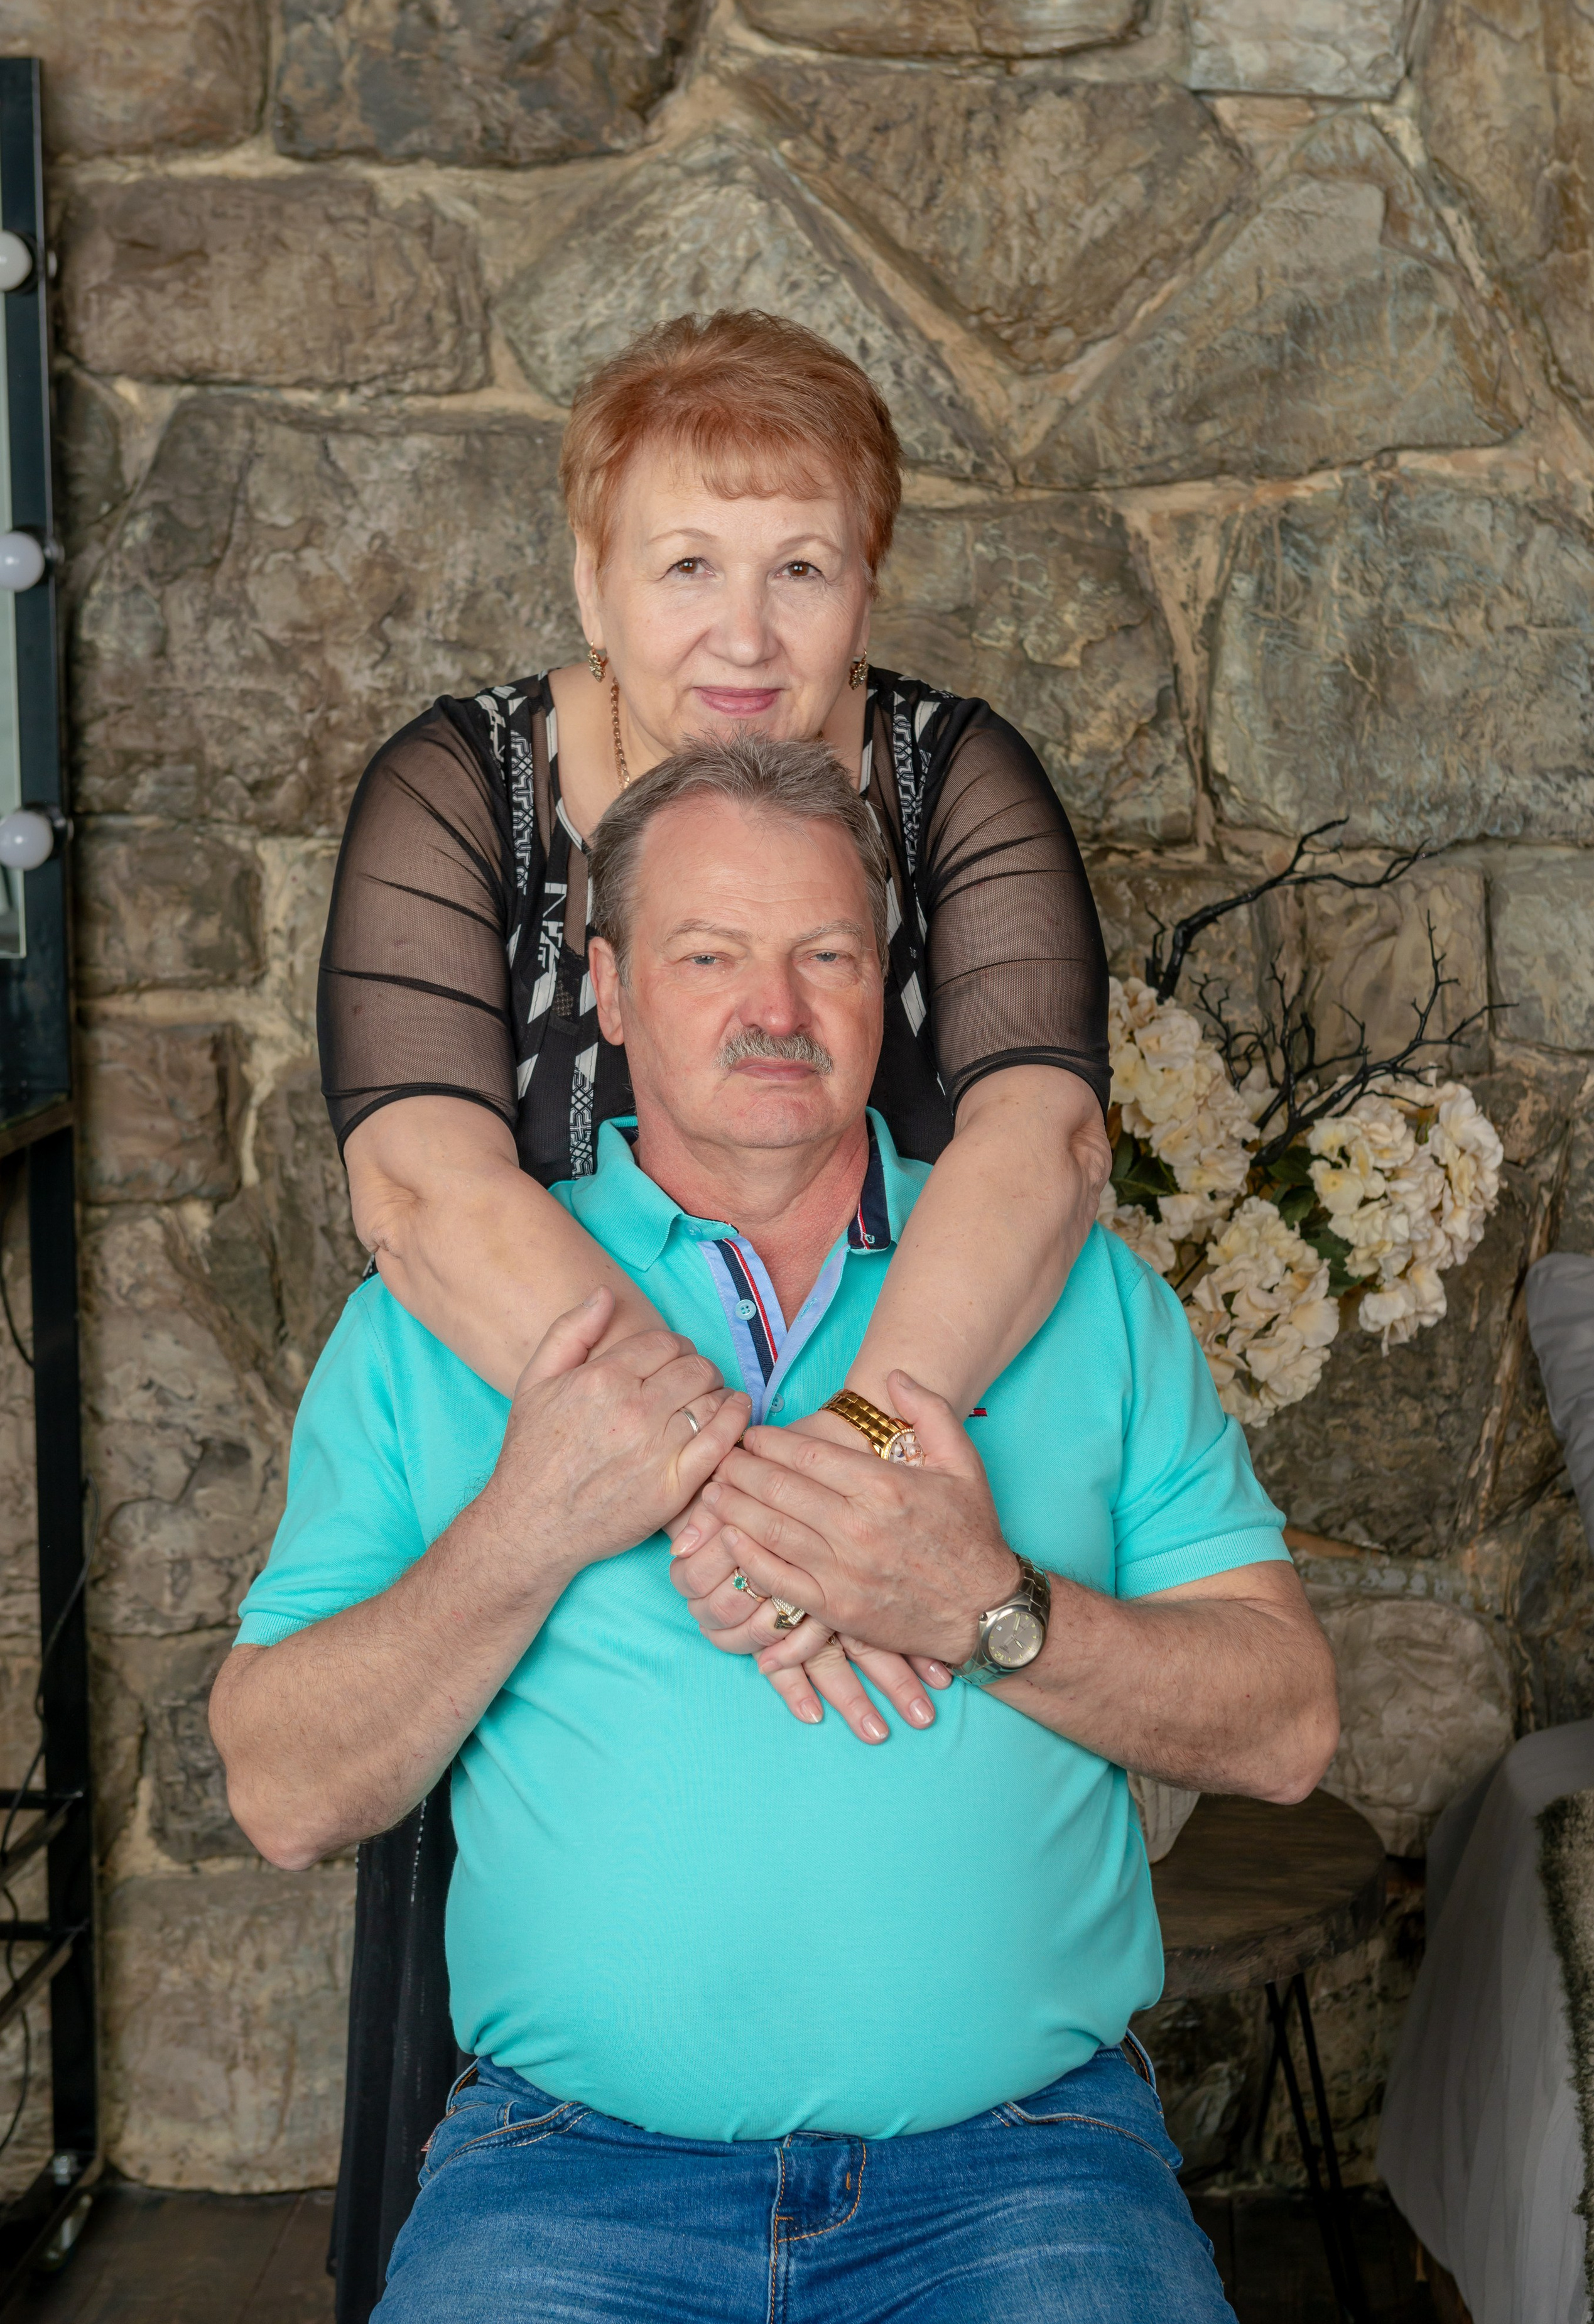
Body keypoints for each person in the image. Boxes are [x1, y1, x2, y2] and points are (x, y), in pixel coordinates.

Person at [214, 733, 1340, 2323]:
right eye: (707, 954)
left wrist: (989, 1605)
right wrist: (528, 1524)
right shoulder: (439, 1320)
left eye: (825, 952)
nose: (775, 1008)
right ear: (603, 988)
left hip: (1022, 2166)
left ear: (888, 981)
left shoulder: (1075, 1293)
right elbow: (277, 1785)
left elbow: (1288, 1721)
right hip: (566, 2172)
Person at [315, 307, 1115, 2300]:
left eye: (801, 565)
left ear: (871, 583)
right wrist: (684, 1479)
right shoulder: (459, 790)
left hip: (904, 1462)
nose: (740, 629)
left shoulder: (955, 777)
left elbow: (1043, 1145)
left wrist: (846, 1465)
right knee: (546, 2048)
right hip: (567, 1486)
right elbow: (422, 1182)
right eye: (684, 564)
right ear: (591, 577)